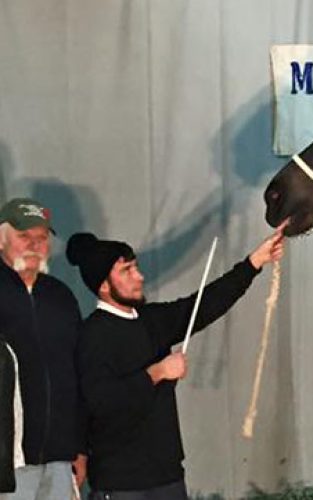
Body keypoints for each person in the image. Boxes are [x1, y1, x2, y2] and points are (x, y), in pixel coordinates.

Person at [67, 225, 284, 500]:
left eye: (136, 267)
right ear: (103, 286)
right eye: (127, 271)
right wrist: (156, 373)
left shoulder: (152, 320)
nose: (140, 276)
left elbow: (204, 305)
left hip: (167, 475)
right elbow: (100, 402)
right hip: (120, 482)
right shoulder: (92, 336)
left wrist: (254, 262)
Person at [0, 198, 87, 499]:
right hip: (8, 464)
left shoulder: (61, 297)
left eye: (41, 238)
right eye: (24, 236)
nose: (34, 245)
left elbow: (77, 374)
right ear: (1, 239)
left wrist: (79, 446)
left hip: (61, 460)